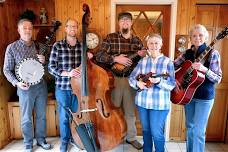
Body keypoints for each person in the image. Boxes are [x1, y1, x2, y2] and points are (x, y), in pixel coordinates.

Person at [94, 12, 145, 150]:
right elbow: (99, 55)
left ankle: (131, 137)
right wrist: (115, 59)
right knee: (113, 110)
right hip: (113, 80)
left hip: (131, 80)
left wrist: (142, 55)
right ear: (118, 23)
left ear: (131, 23)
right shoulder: (111, 38)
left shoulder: (137, 41)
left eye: (127, 20)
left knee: (129, 112)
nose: (125, 23)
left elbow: (143, 62)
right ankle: (113, 136)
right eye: (122, 20)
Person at [3, 19, 51, 152]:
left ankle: (41, 140)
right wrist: (16, 83)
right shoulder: (12, 48)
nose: (28, 30)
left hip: (41, 86)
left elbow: (48, 67)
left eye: (30, 28)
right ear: (19, 30)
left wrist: (44, 61)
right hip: (24, 88)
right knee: (26, 117)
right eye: (24, 28)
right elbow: (6, 70)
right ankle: (28, 143)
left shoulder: (39, 46)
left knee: (41, 115)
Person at [174, 24, 222, 152]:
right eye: (194, 35)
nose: (197, 38)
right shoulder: (187, 53)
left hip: (204, 97)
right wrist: (174, 78)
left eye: (200, 35)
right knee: (190, 128)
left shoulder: (213, 53)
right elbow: (172, 66)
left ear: (206, 37)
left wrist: (204, 69)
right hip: (188, 96)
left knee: (199, 131)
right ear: (190, 38)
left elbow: (217, 78)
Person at [128, 34, 176, 152]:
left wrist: (159, 81)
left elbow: (172, 84)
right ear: (147, 45)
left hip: (159, 104)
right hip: (143, 102)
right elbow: (131, 78)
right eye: (151, 43)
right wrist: (137, 84)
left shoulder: (167, 62)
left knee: (156, 132)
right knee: (146, 131)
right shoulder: (143, 62)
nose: (153, 46)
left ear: (161, 45)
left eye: (156, 43)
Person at [48, 18, 86, 152]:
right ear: (65, 29)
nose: (72, 29)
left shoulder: (82, 46)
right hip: (63, 88)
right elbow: (51, 68)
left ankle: (74, 139)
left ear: (77, 29)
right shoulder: (57, 46)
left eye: (75, 27)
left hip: (78, 89)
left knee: (76, 116)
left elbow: (87, 68)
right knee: (64, 116)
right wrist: (67, 73)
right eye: (70, 26)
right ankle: (64, 141)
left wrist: (88, 62)